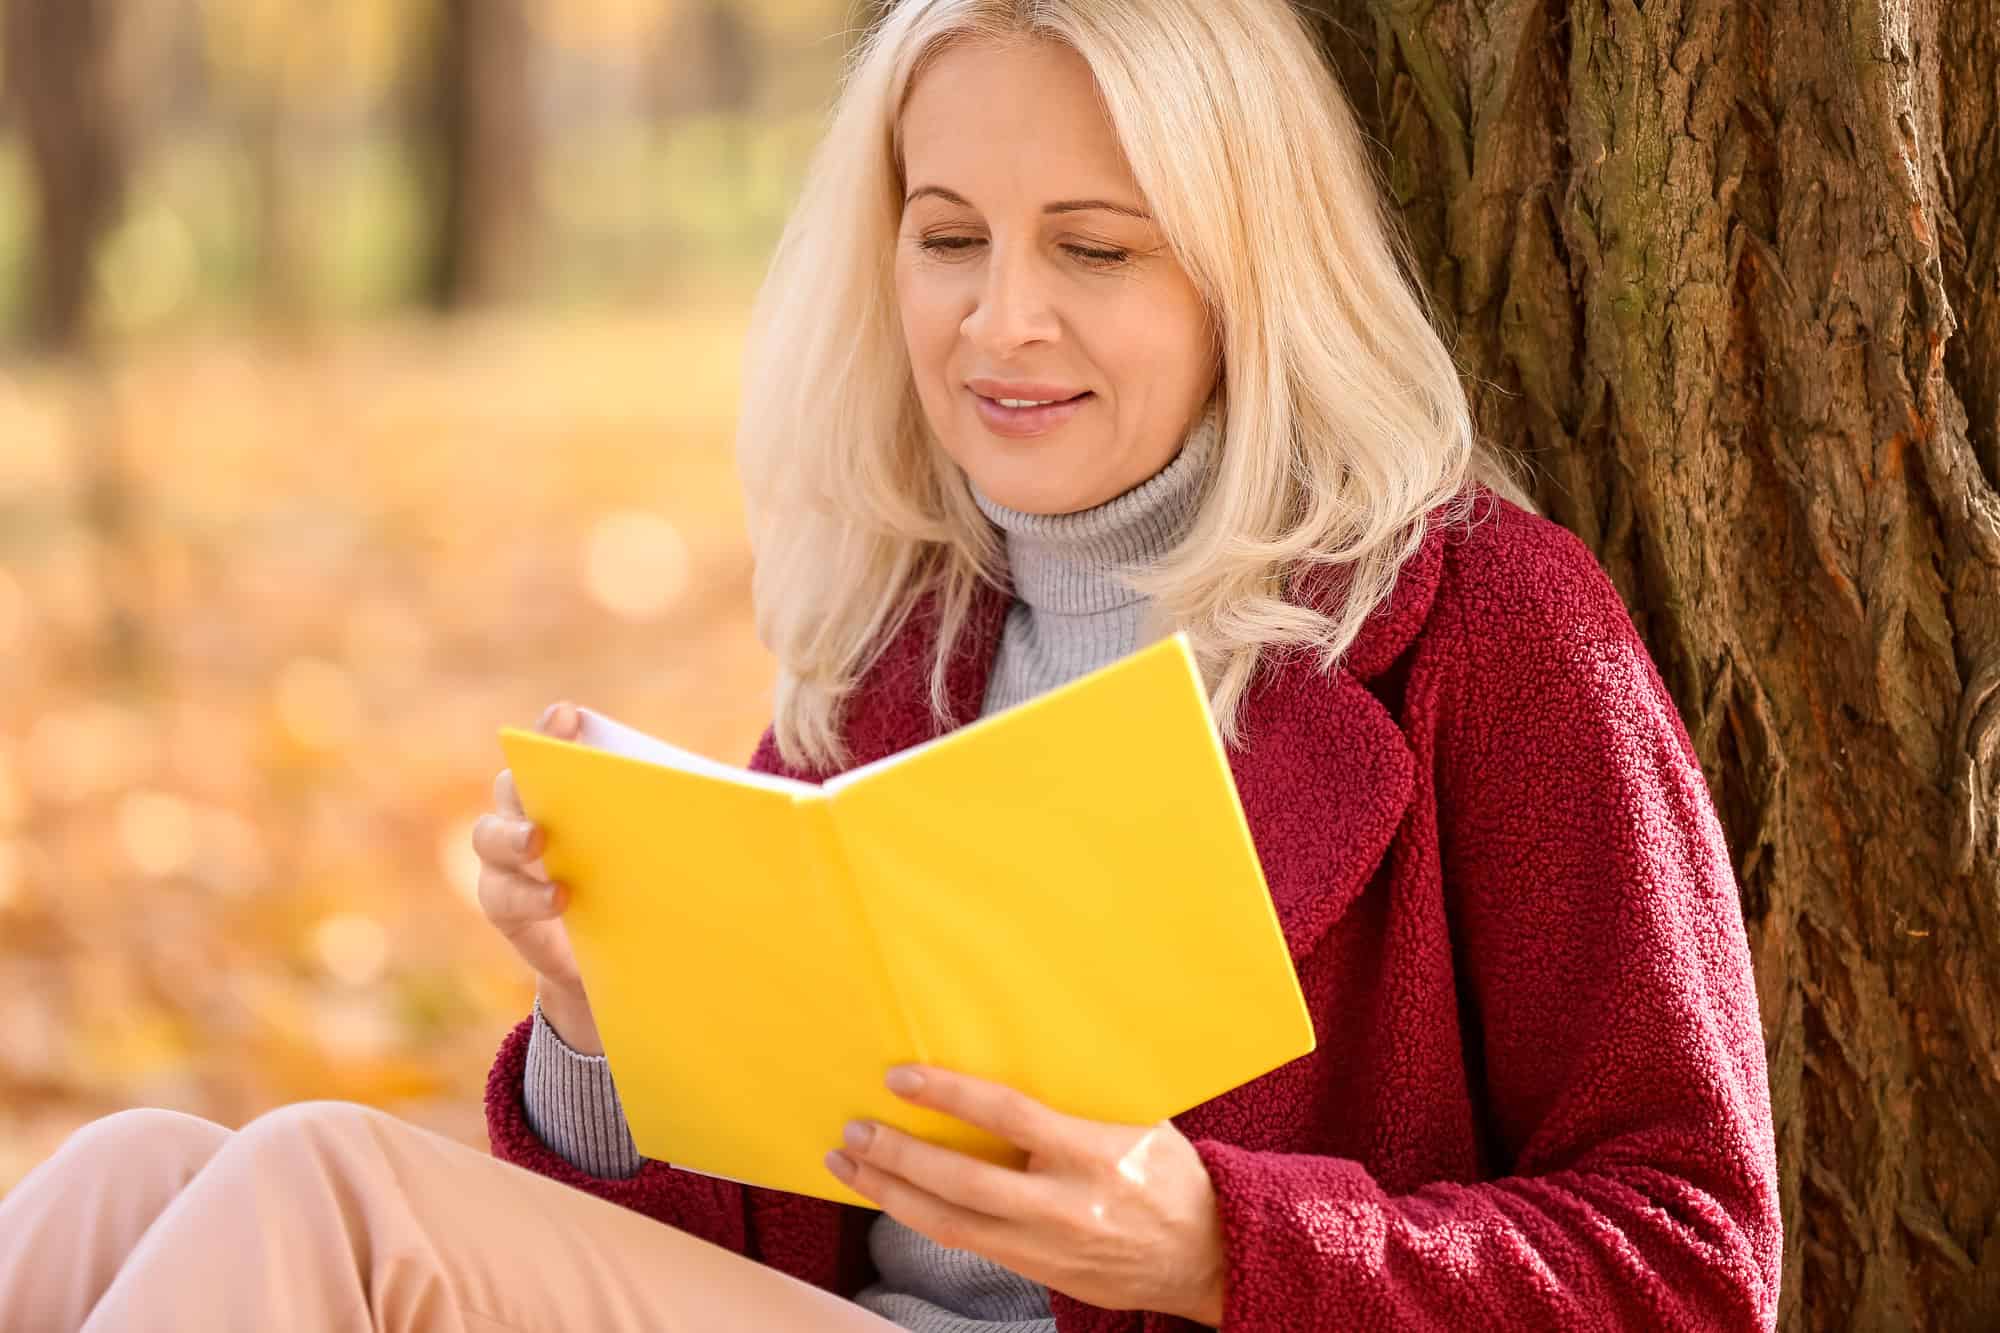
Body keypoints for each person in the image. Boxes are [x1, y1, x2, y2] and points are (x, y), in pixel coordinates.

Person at [0, 0, 1784, 1329]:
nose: (999, 318)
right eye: (947, 239)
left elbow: (1701, 1257)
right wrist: (603, 1022)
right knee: (116, 1177)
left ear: (1251, 269)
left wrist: (1216, 1237)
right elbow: (740, 1245)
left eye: (1093, 247)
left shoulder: (1483, 625)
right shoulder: (911, 641)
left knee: (326, 1185)